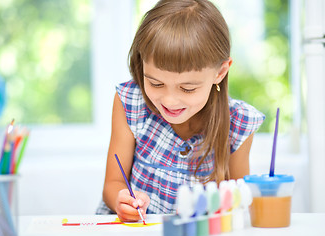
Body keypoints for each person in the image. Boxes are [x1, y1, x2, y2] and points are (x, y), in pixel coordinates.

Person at [96, 0, 265, 222]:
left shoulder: (239, 124)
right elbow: (112, 185)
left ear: (220, 72)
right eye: (156, 83)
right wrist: (123, 200)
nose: (169, 101)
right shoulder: (130, 101)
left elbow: (237, 203)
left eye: (187, 88)